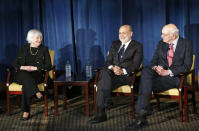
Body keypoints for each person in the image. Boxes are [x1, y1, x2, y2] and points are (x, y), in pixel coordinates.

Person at [126, 24, 193, 130]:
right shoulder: (161, 44)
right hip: (159, 76)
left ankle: (141, 117)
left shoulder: (186, 44)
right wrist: (156, 67)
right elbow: (153, 62)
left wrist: (168, 72)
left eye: (164, 34)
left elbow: (187, 66)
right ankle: (142, 114)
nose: (161, 36)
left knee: (144, 84)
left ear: (174, 35)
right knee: (146, 71)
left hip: (175, 78)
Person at [88, 25, 143, 124]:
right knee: (104, 71)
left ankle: (101, 113)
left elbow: (136, 65)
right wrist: (113, 68)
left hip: (126, 76)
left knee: (101, 83)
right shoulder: (115, 44)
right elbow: (108, 62)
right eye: (120, 33)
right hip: (112, 74)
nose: (121, 35)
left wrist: (122, 71)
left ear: (131, 33)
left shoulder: (137, 46)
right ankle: (103, 109)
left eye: (124, 32)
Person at [13, 29, 52, 120]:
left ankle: (26, 112)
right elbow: (15, 63)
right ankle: (36, 92)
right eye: (37, 38)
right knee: (25, 76)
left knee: (27, 84)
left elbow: (49, 65)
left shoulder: (44, 49)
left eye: (41, 37)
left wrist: (35, 68)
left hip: (37, 74)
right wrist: (24, 68)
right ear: (30, 39)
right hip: (21, 74)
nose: (40, 39)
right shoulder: (24, 48)